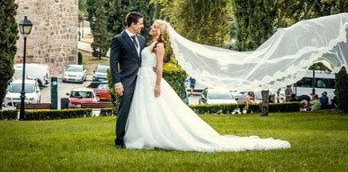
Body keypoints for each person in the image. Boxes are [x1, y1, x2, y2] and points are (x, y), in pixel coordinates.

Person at [123, 20, 291, 152]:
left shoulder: (159, 45)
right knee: (146, 108)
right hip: (144, 78)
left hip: (151, 80)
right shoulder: (149, 43)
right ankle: (146, 134)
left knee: (158, 107)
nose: (150, 27)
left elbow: (160, 67)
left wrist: (158, 84)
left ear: (160, 30)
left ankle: (156, 136)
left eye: (153, 26)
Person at [110, 12, 145, 149]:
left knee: (141, 109)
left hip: (142, 80)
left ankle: (138, 137)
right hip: (126, 81)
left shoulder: (142, 39)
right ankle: (119, 140)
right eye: (140, 23)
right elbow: (113, 63)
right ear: (132, 24)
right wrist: (117, 82)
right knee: (124, 110)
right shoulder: (118, 39)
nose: (142, 26)